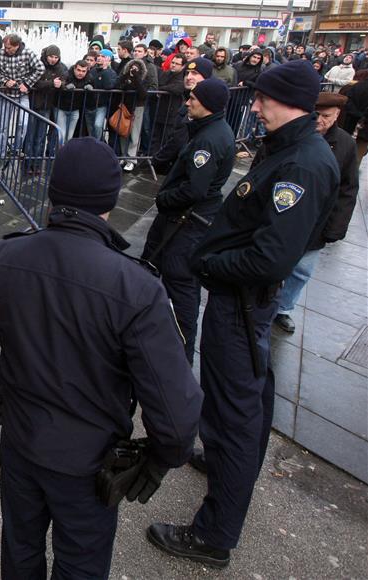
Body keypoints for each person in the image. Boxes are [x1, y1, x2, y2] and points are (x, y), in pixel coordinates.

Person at [0, 136, 203, 579]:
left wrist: (1, 380)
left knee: (20, 549)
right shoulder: (137, 288)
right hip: (87, 459)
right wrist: (163, 457)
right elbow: (175, 409)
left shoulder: (4, 256)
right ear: (109, 199)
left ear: (54, 190)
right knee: (80, 563)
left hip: (23, 440)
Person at [147, 60, 340, 568]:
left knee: (235, 416)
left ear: (291, 102)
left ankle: (213, 536)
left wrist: (207, 263)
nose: (254, 107)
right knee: (243, 402)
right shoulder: (289, 150)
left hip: (239, 302)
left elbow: (270, 256)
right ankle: (221, 462)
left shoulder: (301, 164)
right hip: (240, 302)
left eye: (263, 99)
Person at [141, 78, 235, 365]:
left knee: (180, 288)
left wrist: (164, 199)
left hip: (186, 224)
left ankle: (179, 358)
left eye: (193, 98)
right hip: (182, 221)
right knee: (150, 272)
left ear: (206, 104)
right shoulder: (211, 131)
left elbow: (194, 189)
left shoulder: (208, 139)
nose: (187, 102)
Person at [274, 92, 359, 333]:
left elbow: (348, 189)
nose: (319, 120)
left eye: (326, 116)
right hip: (285, 213)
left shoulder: (345, 144)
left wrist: (336, 227)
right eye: (316, 114)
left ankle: (284, 308)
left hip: (316, 222)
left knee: (301, 270)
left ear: (337, 116)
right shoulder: (292, 135)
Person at [152, 57, 213, 173]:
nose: (189, 77)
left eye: (195, 73)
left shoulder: (207, 105)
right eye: (187, 73)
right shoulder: (187, 98)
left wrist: (159, 160)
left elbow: (179, 139)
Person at [0, 33, 44, 156]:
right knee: (2, 127)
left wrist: (27, 84)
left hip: (22, 94)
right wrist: (5, 80)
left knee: (23, 123)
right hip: (6, 94)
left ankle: (16, 150)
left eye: (9, 47)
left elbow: (40, 68)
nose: (6, 49)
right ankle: (1, 154)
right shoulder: (0, 54)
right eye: (5, 47)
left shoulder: (28, 53)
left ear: (17, 46)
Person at [24, 45, 67, 173]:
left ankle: (36, 164)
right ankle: (28, 163)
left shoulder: (61, 68)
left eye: (56, 57)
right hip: (34, 104)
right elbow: (33, 83)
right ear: (46, 55)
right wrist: (51, 84)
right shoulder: (38, 65)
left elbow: (64, 81)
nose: (53, 59)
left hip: (47, 106)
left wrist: (61, 84)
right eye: (51, 57)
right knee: (31, 135)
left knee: (41, 136)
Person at [150, 54, 186, 154]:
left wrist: (162, 88)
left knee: (166, 139)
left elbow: (178, 88)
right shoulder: (165, 74)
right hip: (160, 111)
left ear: (182, 66)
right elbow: (159, 84)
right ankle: (153, 159)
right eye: (173, 63)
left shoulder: (183, 77)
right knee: (156, 138)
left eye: (177, 64)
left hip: (172, 114)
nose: (173, 65)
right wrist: (163, 88)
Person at [54, 59, 91, 142]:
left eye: (83, 71)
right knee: (62, 135)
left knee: (69, 137)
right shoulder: (67, 75)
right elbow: (60, 83)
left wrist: (90, 87)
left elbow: (93, 92)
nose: (80, 73)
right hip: (61, 109)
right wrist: (65, 86)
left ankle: (67, 154)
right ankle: (61, 154)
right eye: (78, 70)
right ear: (74, 68)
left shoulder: (89, 78)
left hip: (75, 110)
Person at [84, 48, 117, 141]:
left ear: (109, 59)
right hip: (89, 104)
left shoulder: (111, 72)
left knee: (98, 125)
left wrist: (105, 69)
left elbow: (109, 86)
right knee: (90, 129)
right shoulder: (93, 71)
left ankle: (98, 145)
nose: (99, 58)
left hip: (101, 105)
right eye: (98, 56)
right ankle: (93, 147)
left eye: (103, 56)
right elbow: (88, 81)